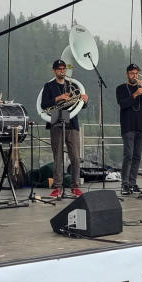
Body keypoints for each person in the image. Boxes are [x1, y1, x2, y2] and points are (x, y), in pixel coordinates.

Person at [40, 59, 88, 199]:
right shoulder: (48, 86)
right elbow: (44, 105)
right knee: (58, 157)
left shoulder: (72, 85)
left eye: (63, 69)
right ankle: (57, 187)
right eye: (59, 69)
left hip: (72, 122)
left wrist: (85, 100)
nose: (62, 71)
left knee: (75, 157)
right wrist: (59, 98)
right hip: (56, 120)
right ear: (54, 71)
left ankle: (75, 187)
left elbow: (81, 105)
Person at [115, 63, 142, 195]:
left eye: (137, 73)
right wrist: (135, 94)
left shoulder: (141, 88)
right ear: (127, 74)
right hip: (128, 126)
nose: (135, 76)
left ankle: (133, 183)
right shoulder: (121, 88)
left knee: (137, 156)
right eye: (132, 73)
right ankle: (124, 184)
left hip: (141, 126)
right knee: (128, 155)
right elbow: (123, 104)